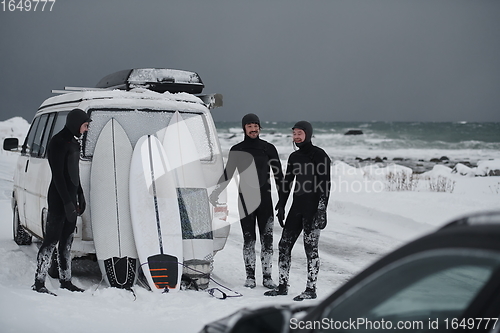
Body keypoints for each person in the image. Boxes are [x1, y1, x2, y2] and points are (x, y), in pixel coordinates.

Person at [210, 113, 284, 289]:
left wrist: (282, 201)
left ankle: (267, 277)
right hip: (245, 202)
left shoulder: (269, 149)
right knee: (249, 239)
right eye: (250, 126)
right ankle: (250, 276)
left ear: (260, 127)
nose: (253, 129)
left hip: (265, 200)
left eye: (256, 125)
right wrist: (216, 193)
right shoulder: (238, 150)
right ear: (244, 128)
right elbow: (228, 175)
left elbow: (279, 176)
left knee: (267, 240)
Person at [264, 121, 331, 301]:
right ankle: (283, 285)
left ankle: (311, 289)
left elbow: (326, 184)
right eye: (294, 134)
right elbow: (288, 182)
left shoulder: (319, 155)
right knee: (284, 245)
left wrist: (322, 210)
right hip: (297, 207)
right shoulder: (294, 157)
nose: (296, 137)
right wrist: (281, 204)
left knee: (311, 249)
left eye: (300, 133)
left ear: (308, 134)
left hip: (313, 210)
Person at [32, 109, 91, 295]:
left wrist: (80, 194)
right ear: (76, 123)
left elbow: (74, 173)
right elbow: (58, 176)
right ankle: (39, 282)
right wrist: (66, 202)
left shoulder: (74, 142)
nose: (86, 129)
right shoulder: (57, 142)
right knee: (51, 241)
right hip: (59, 199)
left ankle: (66, 280)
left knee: (66, 242)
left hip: (71, 198)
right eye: (85, 125)